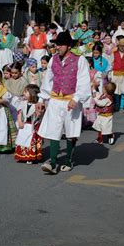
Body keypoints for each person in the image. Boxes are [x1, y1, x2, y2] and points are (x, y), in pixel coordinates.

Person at [37, 30, 91, 174]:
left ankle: (68, 160)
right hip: (55, 99)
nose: (57, 47)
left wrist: (76, 98)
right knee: (54, 130)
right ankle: (53, 163)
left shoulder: (80, 60)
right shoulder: (53, 59)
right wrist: (42, 99)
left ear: (68, 46)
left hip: (70, 100)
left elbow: (84, 81)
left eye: (60, 45)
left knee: (70, 131)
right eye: (56, 45)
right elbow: (47, 80)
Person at [14, 84, 43, 164]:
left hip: (33, 126)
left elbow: (39, 116)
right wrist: (20, 121)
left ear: (32, 94)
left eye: (26, 92)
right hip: (24, 124)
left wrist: (39, 113)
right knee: (22, 140)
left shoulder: (37, 105)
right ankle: (22, 156)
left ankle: (31, 156)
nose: (24, 93)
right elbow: (19, 112)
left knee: (31, 141)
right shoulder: (23, 103)